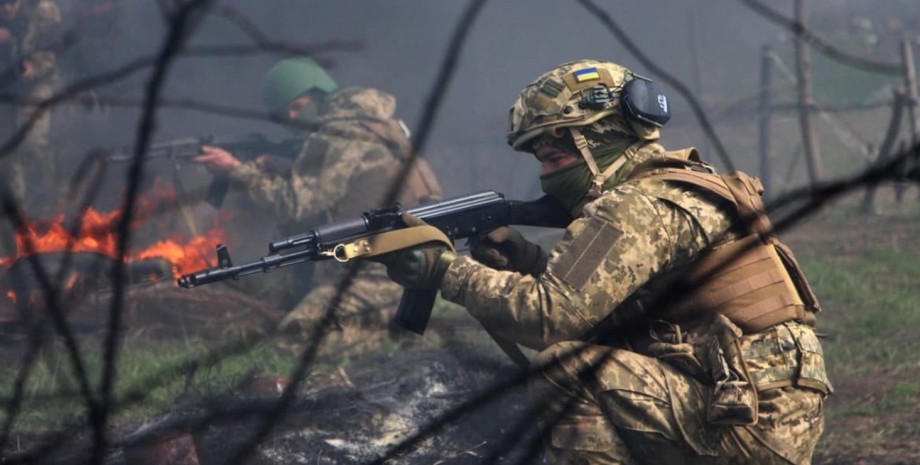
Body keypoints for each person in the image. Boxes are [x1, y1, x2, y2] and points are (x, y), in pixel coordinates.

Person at [375, 59, 831, 464]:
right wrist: (525, 259)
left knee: (565, 370)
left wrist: (445, 270)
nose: (546, 176)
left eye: (555, 158)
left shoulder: (636, 206)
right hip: (758, 411)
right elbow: (604, 305)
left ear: (599, 141)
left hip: (744, 422)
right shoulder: (678, 186)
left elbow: (551, 319)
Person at [194, 57, 442, 347]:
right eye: (285, 114)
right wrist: (278, 166)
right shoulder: (370, 123)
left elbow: (293, 203)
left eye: (298, 106)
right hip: (405, 262)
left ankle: (389, 327)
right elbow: (343, 183)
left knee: (296, 340)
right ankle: (389, 319)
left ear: (319, 93)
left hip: (379, 272)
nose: (293, 117)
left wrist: (236, 169)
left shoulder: (338, 134)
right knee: (264, 298)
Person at [0, 0, 60, 219]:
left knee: (33, 143)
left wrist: (35, 66)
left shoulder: (42, 13)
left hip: (35, 86)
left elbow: (53, 49)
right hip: (5, 90)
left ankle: (45, 205)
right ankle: (17, 207)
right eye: (2, 4)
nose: (7, 8)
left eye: (11, 3)